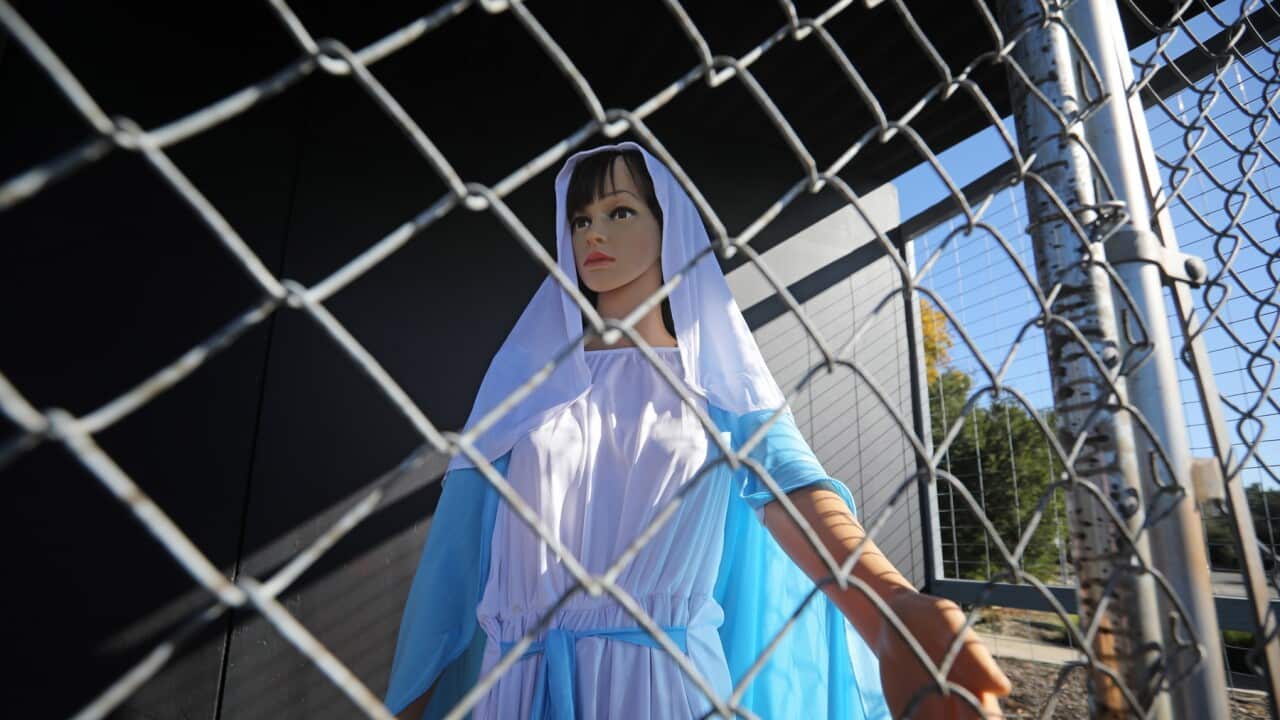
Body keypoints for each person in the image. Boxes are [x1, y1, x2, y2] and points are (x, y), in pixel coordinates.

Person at [385, 142, 1011, 719]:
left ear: (670, 226)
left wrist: (890, 605)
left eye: (620, 211)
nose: (594, 233)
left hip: (660, 688)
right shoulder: (526, 381)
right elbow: (454, 564)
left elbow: (792, 486)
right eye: (579, 219)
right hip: (520, 690)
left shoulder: (718, 381)